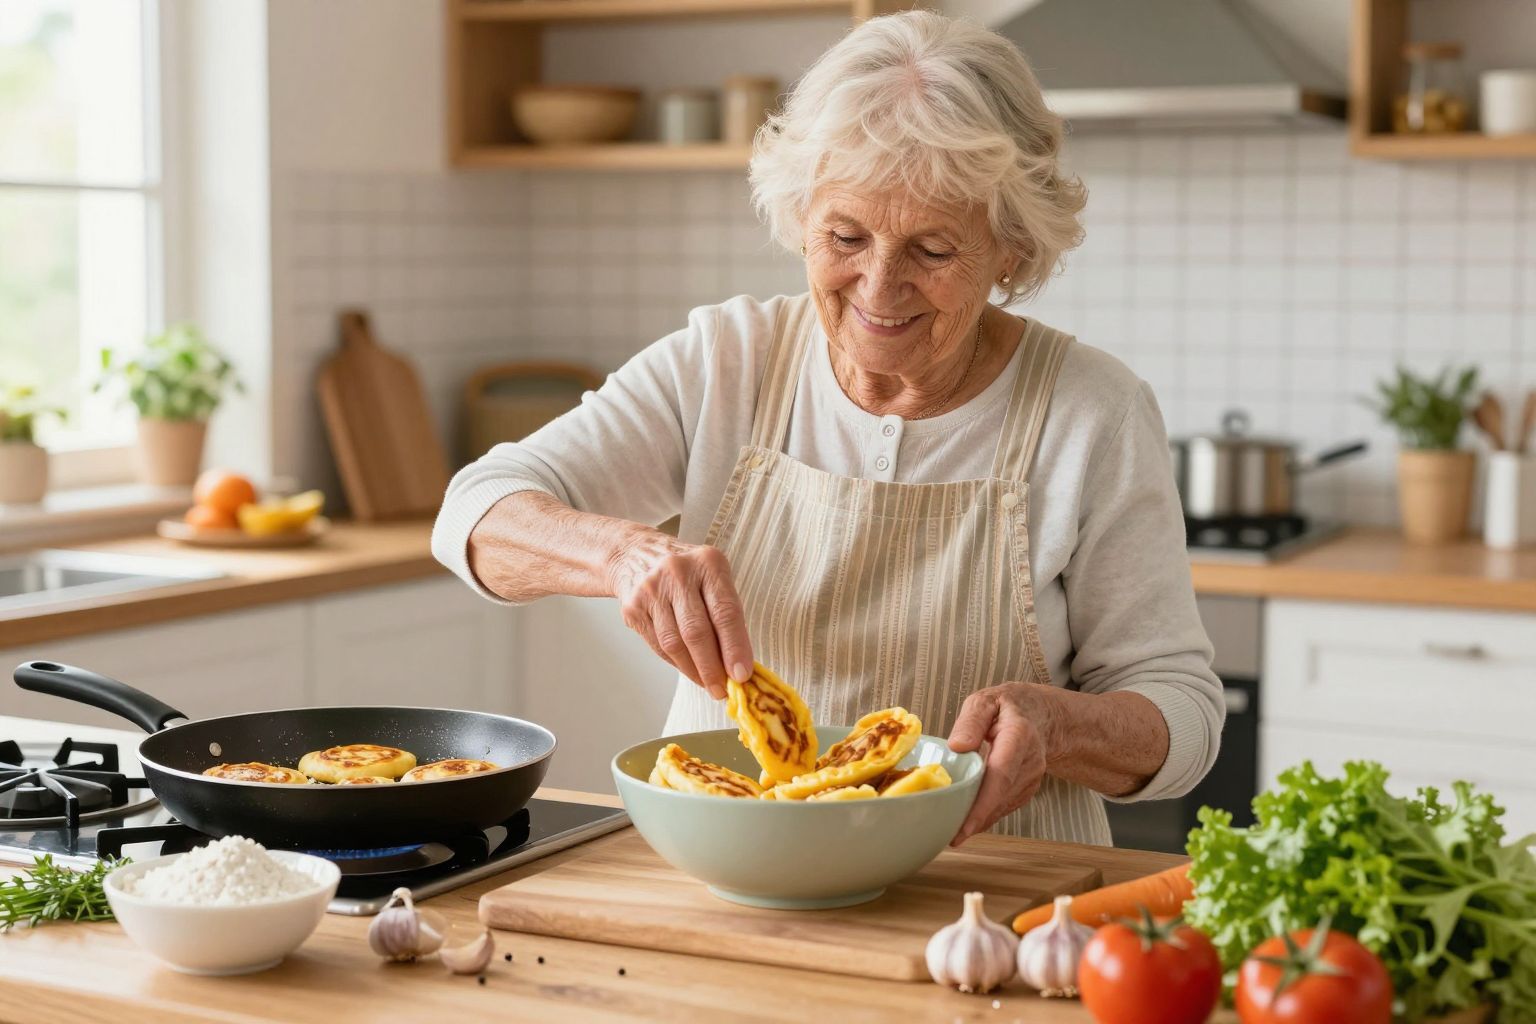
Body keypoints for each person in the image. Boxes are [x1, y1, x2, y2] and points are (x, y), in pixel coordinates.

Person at [433, 10, 1223, 845]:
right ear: (799, 216)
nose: (880, 289)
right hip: (731, 871)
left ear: (1012, 250)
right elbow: (474, 511)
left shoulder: (1092, 411)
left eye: (932, 250)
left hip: (994, 898)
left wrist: (1063, 727)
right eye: (845, 236)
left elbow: (1183, 712)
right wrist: (622, 555)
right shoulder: (726, 360)